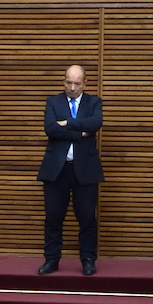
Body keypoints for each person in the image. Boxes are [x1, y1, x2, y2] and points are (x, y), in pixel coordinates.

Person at [38, 64, 104, 276]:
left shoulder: (94, 102)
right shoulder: (53, 102)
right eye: (68, 82)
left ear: (85, 83)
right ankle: (51, 259)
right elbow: (50, 128)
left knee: (86, 217)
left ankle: (87, 259)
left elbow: (95, 123)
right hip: (57, 169)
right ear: (63, 81)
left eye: (77, 83)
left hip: (85, 168)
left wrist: (67, 123)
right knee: (53, 216)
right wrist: (80, 132)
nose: (72, 87)